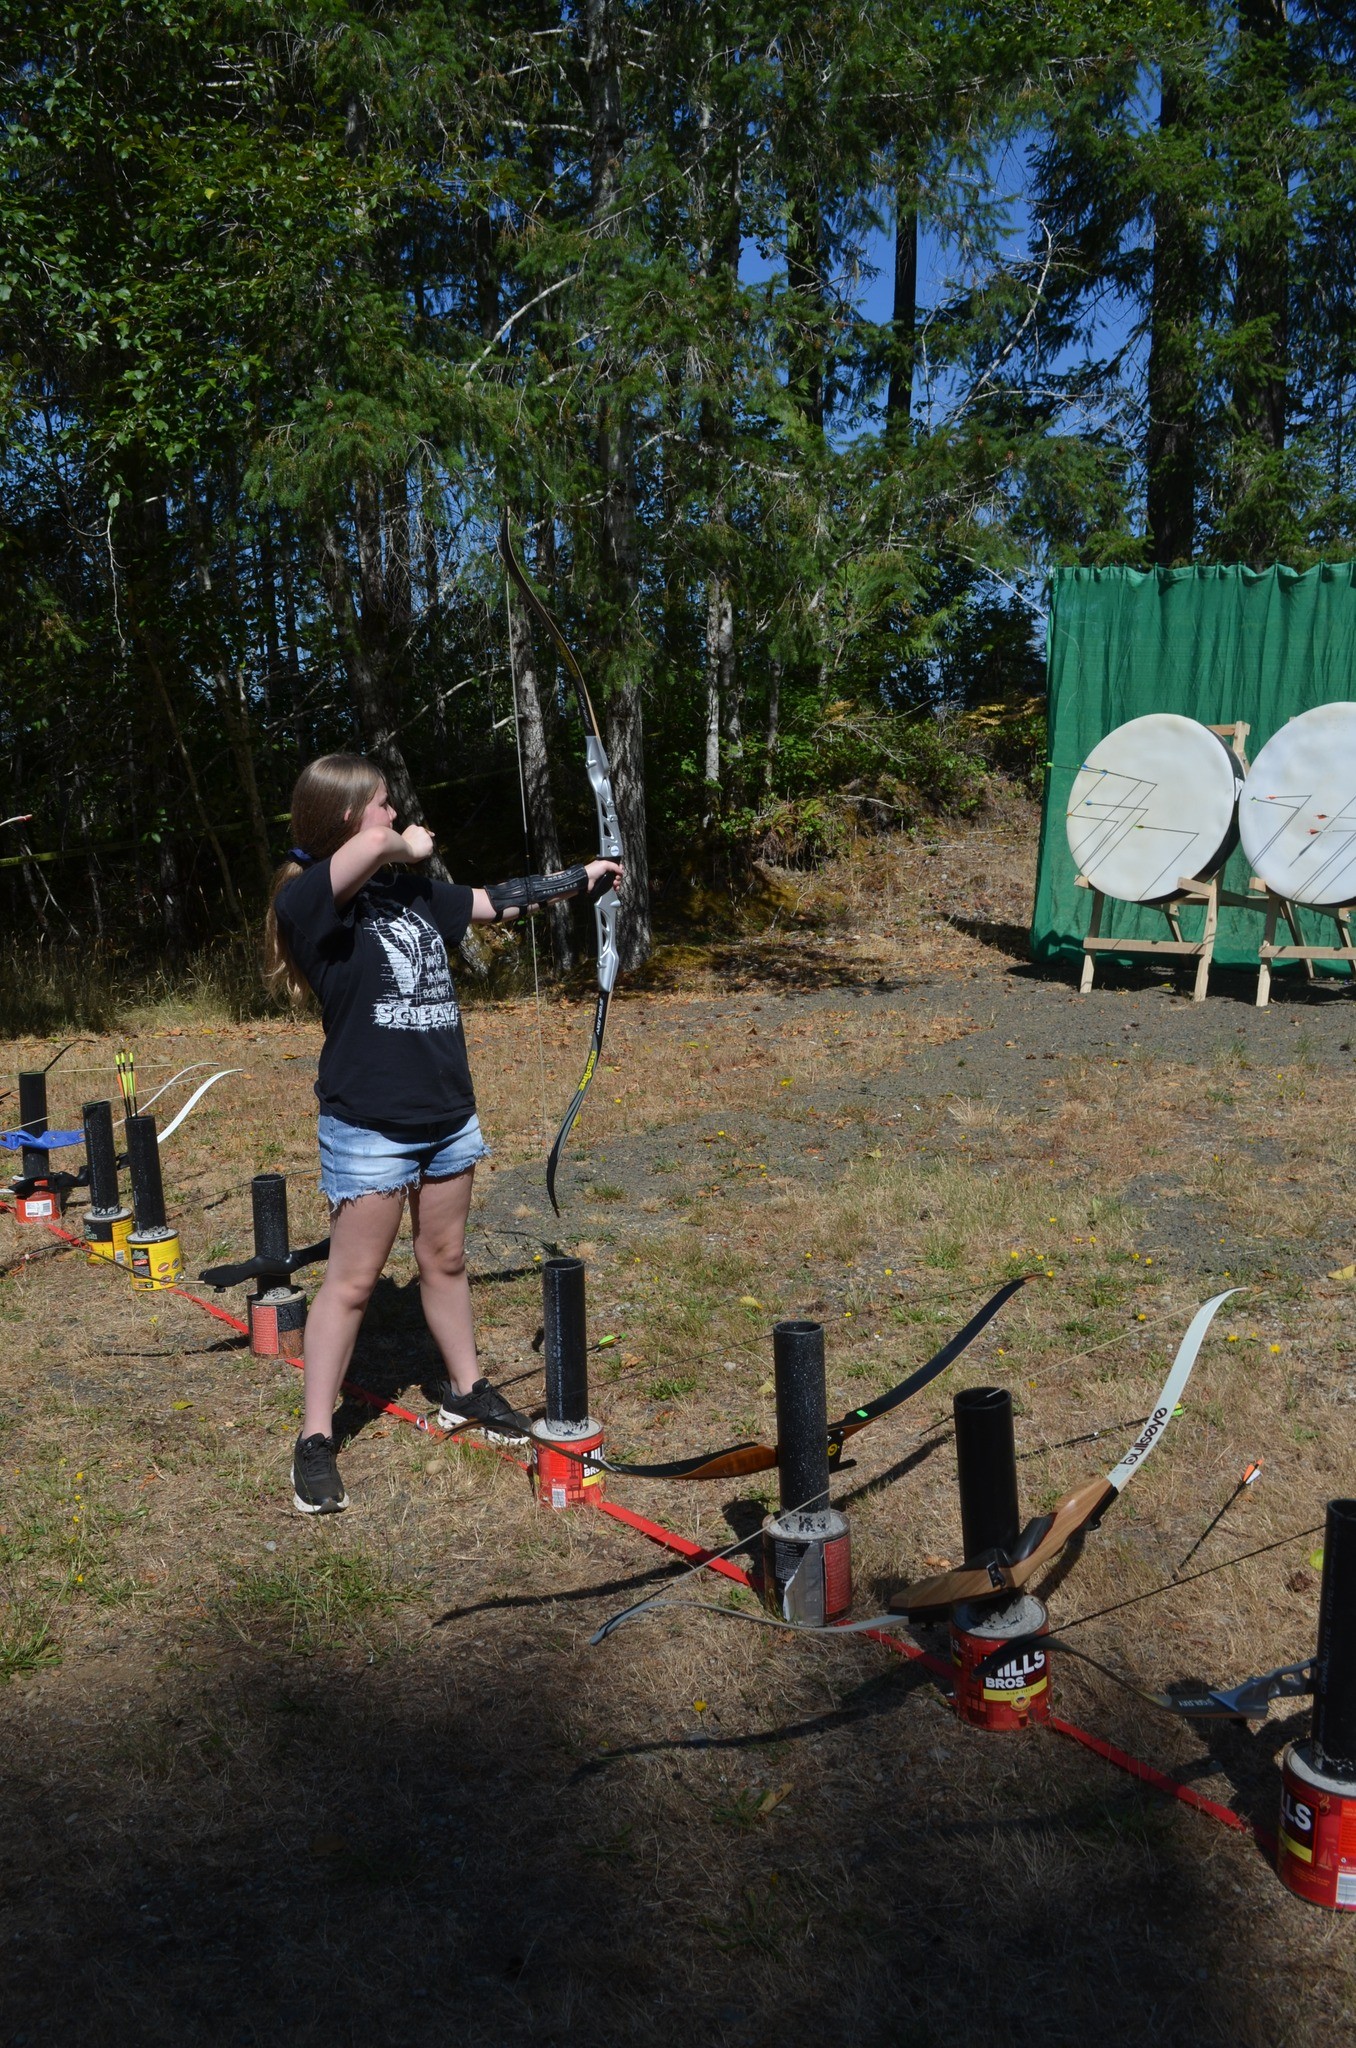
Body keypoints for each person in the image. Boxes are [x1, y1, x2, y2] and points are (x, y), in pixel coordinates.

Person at [263, 752, 623, 1514]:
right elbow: (360, 855)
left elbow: (493, 903)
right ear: (347, 816)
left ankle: (464, 1391)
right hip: (369, 1124)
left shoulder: (405, 890)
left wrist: (580, 877)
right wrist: (402, 842)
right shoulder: (311, 902)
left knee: (447, 1257)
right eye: (383, 807)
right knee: (354, 1283)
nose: (394, 816)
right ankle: (315, 1438)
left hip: (446, 1115)